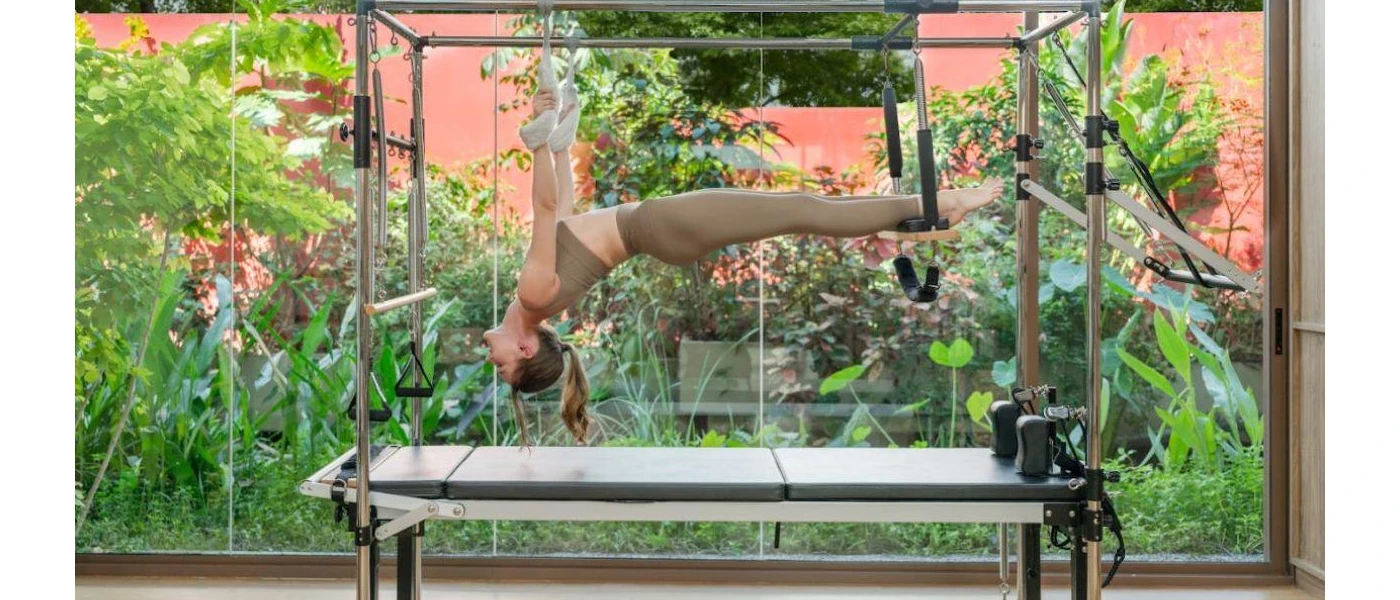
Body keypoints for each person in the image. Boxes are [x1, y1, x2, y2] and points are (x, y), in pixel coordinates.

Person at [482, 50, 1001, 447]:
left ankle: (932, 204)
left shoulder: (539, 300)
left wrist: (559, 139)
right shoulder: (534, 298)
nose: (494, 362)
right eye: (504, 368)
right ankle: (942, 201)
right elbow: (547, 211)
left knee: (802, 206)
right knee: (802, 207)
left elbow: (564, 212)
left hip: (664, 230)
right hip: (664, 225)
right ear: (526, 350)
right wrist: (538, 143)